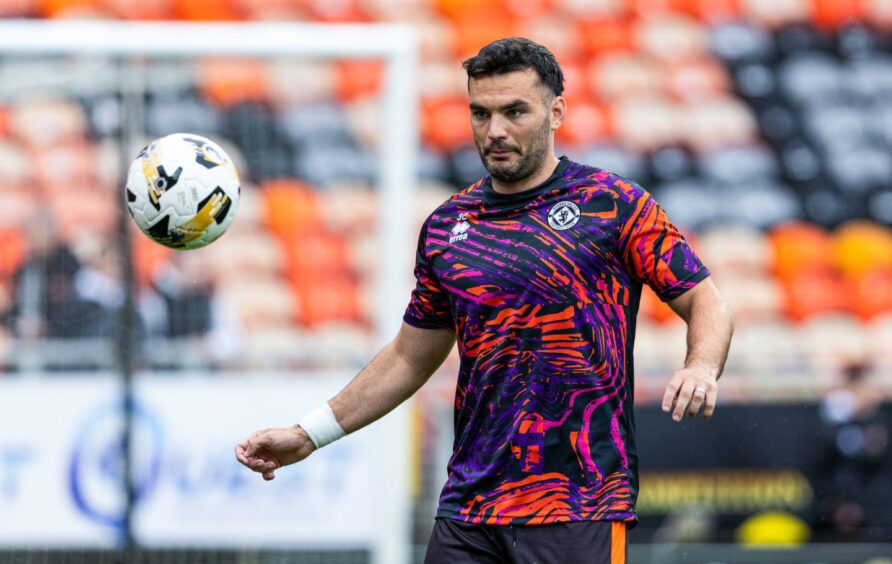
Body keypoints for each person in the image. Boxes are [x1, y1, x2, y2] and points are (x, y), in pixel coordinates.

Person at [235, 38, 734, 563]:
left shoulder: (612, 205)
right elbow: (409, 356)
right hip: (469, 508)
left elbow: (707, 302)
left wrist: (701, 366)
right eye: (481, 112)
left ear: (556, 111)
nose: (495, 130)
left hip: (579, 504)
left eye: (514, 111)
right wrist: (307, 435)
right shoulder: (448, 226)